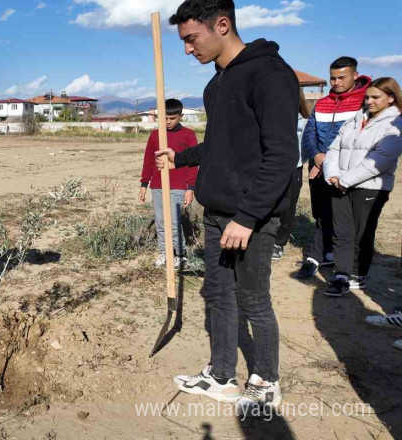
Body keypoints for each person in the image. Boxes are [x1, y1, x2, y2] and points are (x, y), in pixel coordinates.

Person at [158, 0, 299, 415]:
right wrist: (179, 158)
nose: (187, 50)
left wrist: (248, 216)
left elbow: (280, 156)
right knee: (218, 295)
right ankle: (221, 376)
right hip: (218, 214)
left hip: (250, 219)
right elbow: (221, 145)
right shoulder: (216, 84)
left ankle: (267, 381)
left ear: (222, 25)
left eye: (191, 39)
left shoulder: (271, 75)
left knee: (254, 300)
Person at [322, 77, 402, 296]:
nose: (369, 101)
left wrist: (345, 180)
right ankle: (341, 275)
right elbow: (334, 149)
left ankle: (359, 274)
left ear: (391, 97)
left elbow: (381, 160)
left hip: (370, 187)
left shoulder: (396, 124)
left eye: (375, 97)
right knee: (341, 232)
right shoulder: (356, 118)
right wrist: (332, 174)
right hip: (339, 184)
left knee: (361, 233)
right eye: (367, 97)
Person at [296, 57, 371, 278]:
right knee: (321, 213)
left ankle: (346, 263)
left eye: (341, 78)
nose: (335, 82)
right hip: (317, 167)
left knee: (346, 218)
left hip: (346, 170)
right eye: (332, 78)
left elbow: (358, 138)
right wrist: (317, 156)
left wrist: (328, 162)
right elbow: (310, 132)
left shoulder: (364, 102)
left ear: (355, 76)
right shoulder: (322, 103)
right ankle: (321, 255)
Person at [139, 98, 198, 268]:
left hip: (178, 186)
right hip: (158, 185)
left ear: (181, 115)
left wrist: (190, 188)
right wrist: (144, 185)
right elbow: (148, 161)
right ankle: (165, 252)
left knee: (173, 221)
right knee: (160, 221)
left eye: (172, 118)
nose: (168, 122)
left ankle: (180, 255)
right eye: (165, 118)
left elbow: (193, 164)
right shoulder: (155, 135)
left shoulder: (188, 135)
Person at [273, 90, 312, 260]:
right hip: (272, 168)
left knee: (288, 207)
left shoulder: (304, 122)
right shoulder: (273, 119)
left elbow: (307, 145)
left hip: (293, 169)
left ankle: (279, 242)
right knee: (270, 203)